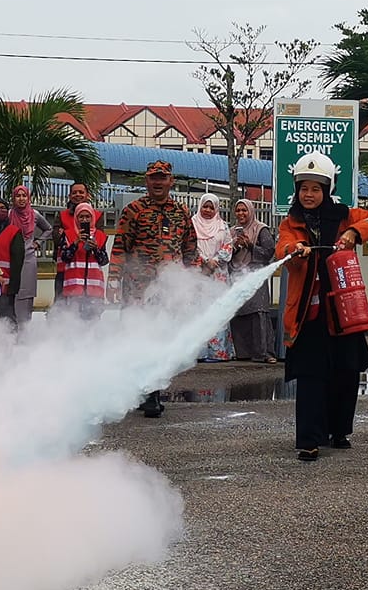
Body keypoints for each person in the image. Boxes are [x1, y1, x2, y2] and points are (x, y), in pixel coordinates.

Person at [276, 152, 368, 461]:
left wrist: (356, 232)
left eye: (315, 189)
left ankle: (338, 430)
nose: (309, 195)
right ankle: (309, 440)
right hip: (309, 315)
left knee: (345, 372)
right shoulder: (291, 223)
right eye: (304, 188)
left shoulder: (345, 216)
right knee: (311, 376)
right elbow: (281, 249)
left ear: (326, 190)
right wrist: (294, 250)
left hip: (344, 311)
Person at [111, 159, 200, 416]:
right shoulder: (133, 210)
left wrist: (191, 281)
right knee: (137, 338)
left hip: (168, 290)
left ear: (171, 181)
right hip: (137, 289)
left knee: (161, 339)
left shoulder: (181, 212)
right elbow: (120, 247)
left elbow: (190, 249)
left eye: (162, 178)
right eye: (153, 178)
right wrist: (113, 280)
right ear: (146, 181)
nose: (158, 182)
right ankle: (142, 392)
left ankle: (152, 392)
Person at [228, 198, 278, 363]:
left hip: (255, 275)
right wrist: (235, 247)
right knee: (239, 313)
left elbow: (269, 252)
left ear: (251, 211)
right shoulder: (233, 232)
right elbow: (225, 255)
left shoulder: (261, 229)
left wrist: (251, 246)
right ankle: (243, 353)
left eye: (244, 210)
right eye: (238, 210)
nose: (241, 214)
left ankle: (264, 353)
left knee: (258, 312)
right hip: (237, 275)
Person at [51, 201, 111, 321]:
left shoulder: (99, 236)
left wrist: (95, 248)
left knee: (92, 323)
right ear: (76, 218)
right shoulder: (68, 234)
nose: (84, 220)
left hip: (94, 289)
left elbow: (104, 260)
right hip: (74, 288)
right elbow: (64, 257)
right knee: (73, 323)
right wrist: (75, 243)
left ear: (92, 218)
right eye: (81, 216)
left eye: (87, 216)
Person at [192, 196, 235, 362]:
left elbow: (228, 246)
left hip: (218, 274)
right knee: (198, 311)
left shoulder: (222, 226)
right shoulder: (192, 224)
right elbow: (189, 246)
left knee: (218, 310)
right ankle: (199, 353)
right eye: (205, 207)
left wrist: (215, 261)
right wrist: (204, 260)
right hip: (199, 273)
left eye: (211, 207)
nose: (208, 211)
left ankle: (218, 353)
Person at [3, 184, 51, 326]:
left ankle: (25, 329)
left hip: (28, 258)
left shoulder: (34, 214)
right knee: (12, 292)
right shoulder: (9, 214)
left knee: (26, 294)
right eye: (18, 196)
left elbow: (48, 229)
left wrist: (37, 243)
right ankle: (11, 328)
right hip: (10, 258)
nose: (21, 199)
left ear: (28, 198)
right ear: (13, 198)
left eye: (24, 195)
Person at [0, 200, 27, 327]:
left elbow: (18, 261)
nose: (0, 210)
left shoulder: (14, 232)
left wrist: (13, 286)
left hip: (5, 284)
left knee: (7, 318)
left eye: (3, 208)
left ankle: (9, 343)